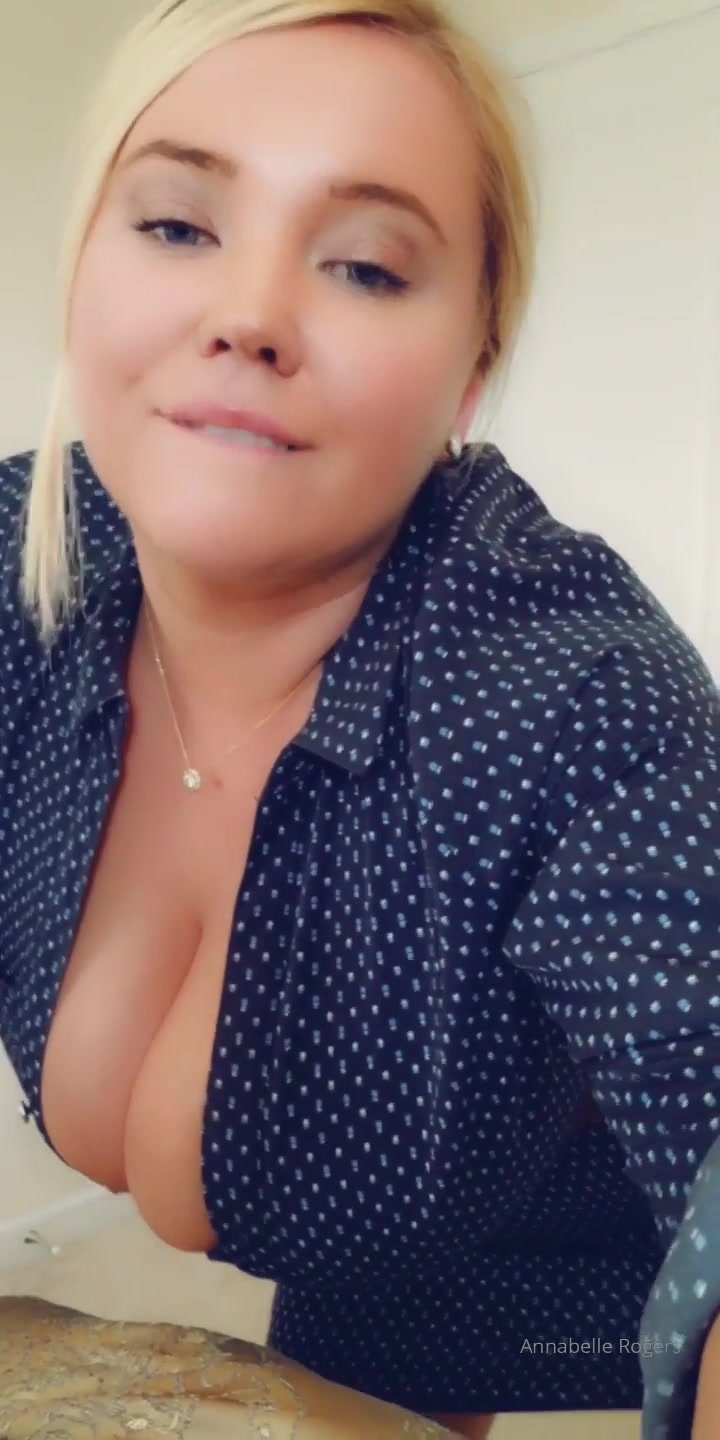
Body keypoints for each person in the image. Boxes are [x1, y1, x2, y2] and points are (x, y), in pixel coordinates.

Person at [0, 1, 717, 1437]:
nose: (250, 315)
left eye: (367, 266)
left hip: (556, 1268)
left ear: (472, 371)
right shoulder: (25, 559)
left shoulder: (578, 697)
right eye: (179, 226)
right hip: (349, 1267)